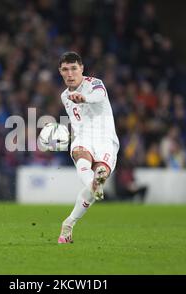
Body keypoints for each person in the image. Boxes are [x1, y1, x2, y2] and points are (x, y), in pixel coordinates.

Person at [56, 52, 120, 243]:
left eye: (74, 68)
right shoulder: (64, 96)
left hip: (105, 139)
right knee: (82, 157)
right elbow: (77, 122)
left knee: (94, 184)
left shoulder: (95, 84)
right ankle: (96, 180)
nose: (70, 73)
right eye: (65, 69)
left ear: (81, 68)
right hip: (83, 138)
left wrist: (83, 98)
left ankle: (69, 223)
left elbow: (98, 96)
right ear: (60, 72)